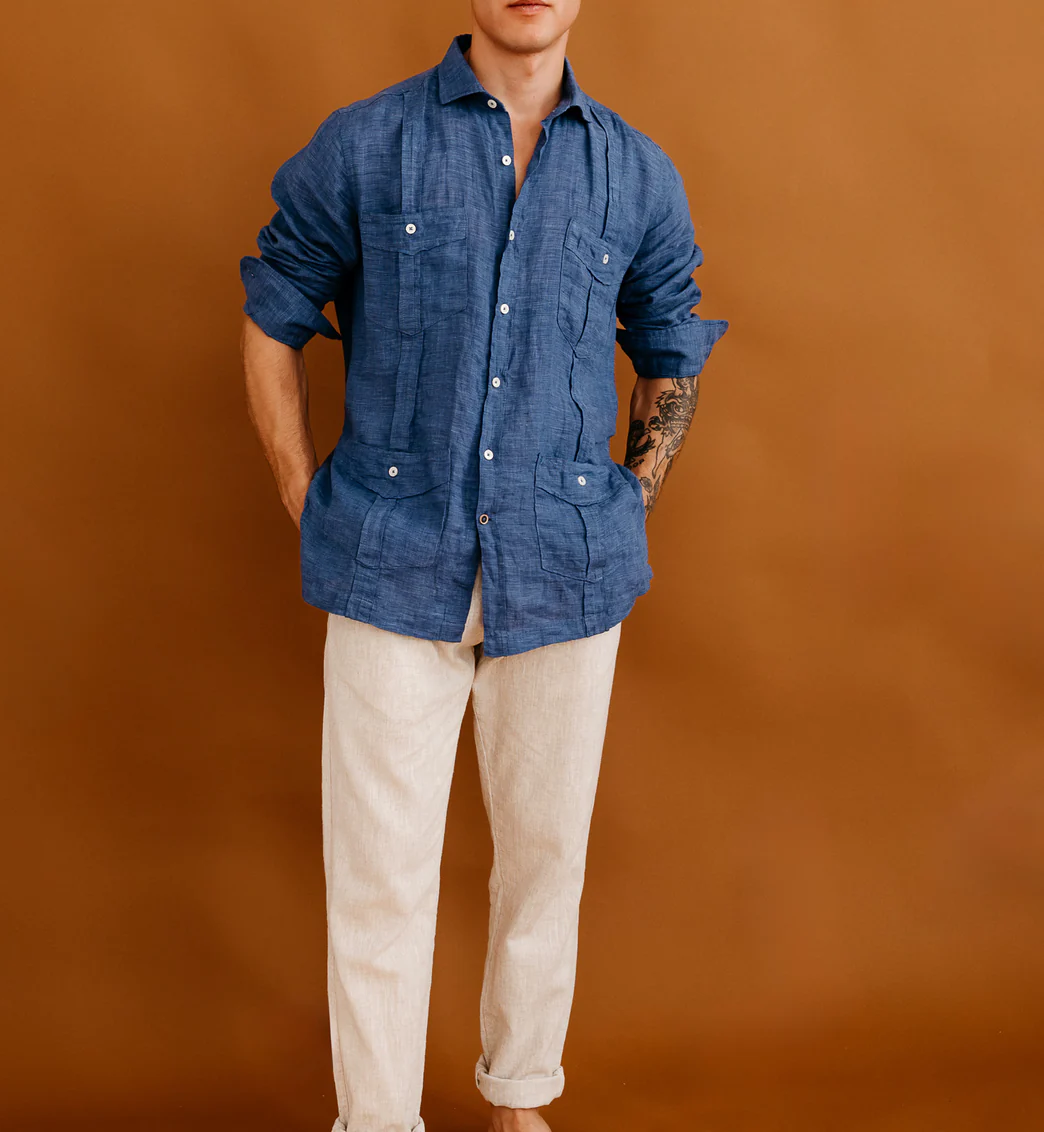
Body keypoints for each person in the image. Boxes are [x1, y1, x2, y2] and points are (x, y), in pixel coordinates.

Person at [238, 3, 728, 1129]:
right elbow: (273, 309)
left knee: (545, 863)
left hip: (566, 570)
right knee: (378, 876)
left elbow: (671, 341)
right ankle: (378, 1120)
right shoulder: (369, 142)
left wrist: (628, 500)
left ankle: (517, 1097)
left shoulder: (635, 173)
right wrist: (304, 494)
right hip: (389, 560)